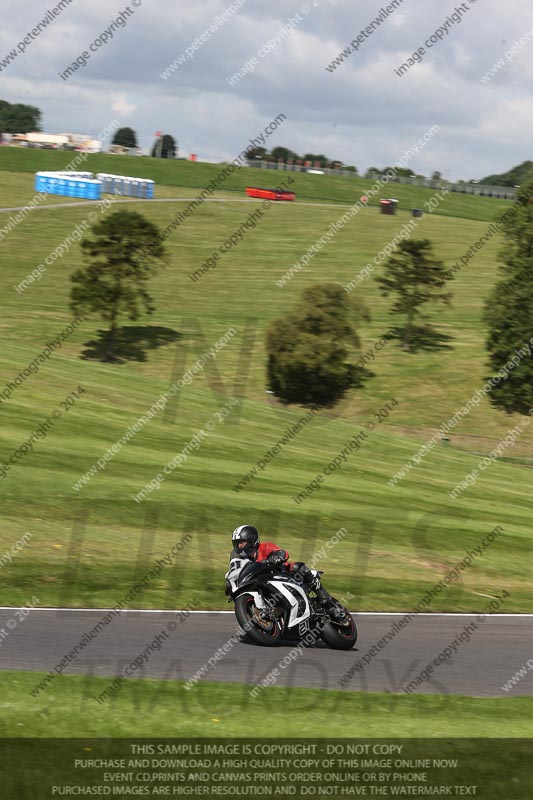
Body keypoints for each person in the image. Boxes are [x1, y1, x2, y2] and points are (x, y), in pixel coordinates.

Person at [230, 524, 347, 623]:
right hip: (265, 583)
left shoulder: (265, 547)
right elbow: (236, 570)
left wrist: (277, 557)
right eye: (236, 544)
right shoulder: (243, 560)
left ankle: (325, 599)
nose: (239, 546)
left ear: (251, 540)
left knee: (299, 567)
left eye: (241, 542)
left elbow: (282, 553)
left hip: (283, 574)